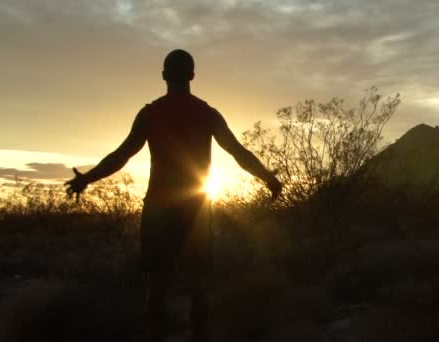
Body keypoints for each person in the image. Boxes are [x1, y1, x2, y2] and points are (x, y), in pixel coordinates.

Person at [65, 49, 282, 342]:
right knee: (198, 287)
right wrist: (268, 178)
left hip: (159, 208)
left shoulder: (150, 113)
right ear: (192, 75)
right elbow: (238, 152)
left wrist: (87, 179)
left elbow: (121, 155)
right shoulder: (207, 113)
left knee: (157, 287)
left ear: (164, 75)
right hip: (196, 209)